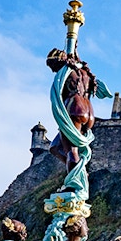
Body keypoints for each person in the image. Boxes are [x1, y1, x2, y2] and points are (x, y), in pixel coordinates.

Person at [46, 48, 111, 198]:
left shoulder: (66, 71)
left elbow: (58, 93)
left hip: (74, 109)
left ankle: (73, 185)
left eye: (52, 65)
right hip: (89, 113)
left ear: (59, 60)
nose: (53, 70)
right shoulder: (84, 71)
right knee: (54, 147)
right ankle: (79, 170)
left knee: (72, 151)